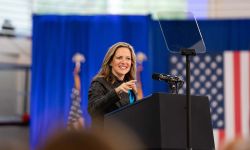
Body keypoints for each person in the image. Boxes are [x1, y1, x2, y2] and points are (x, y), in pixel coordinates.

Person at [88, 42, 137, 127]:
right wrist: (117, 91)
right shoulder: (99, 82)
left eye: (128, 58)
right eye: (119, 58)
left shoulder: (130, 86)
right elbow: (93, 109)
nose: (124, 62)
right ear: (110, 62)